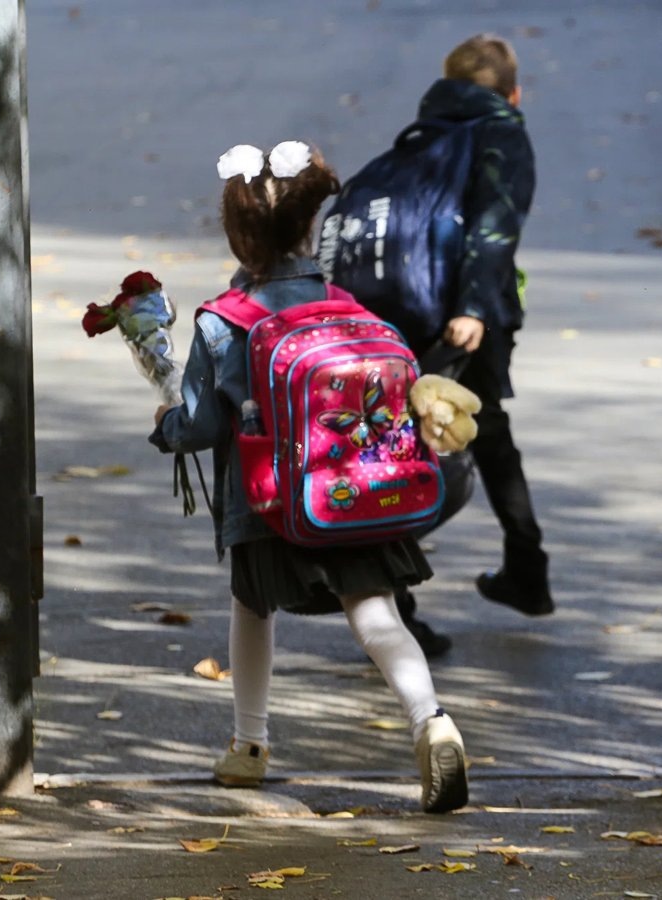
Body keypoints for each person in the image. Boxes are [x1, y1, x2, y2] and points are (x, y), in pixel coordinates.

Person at [148, 140, 468, 814]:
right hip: (359, 492)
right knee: (376, 614)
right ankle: (432, 721)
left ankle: (249, 747)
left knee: (251, 610)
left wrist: (166, 423)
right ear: (308, 227)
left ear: (239, 237)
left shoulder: (223, 323)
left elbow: (199, 427)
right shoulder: (350, 309)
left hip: (267, 503)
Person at [400, 33, 554, 632]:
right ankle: (394, 599)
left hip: (412, 304)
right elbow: (495, 226)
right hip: (473, 314)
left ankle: (524, 571)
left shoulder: (424, 130)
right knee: (450, 436)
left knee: (434, 431)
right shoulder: (502, 131)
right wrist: (472, 306)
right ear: (514, 93)